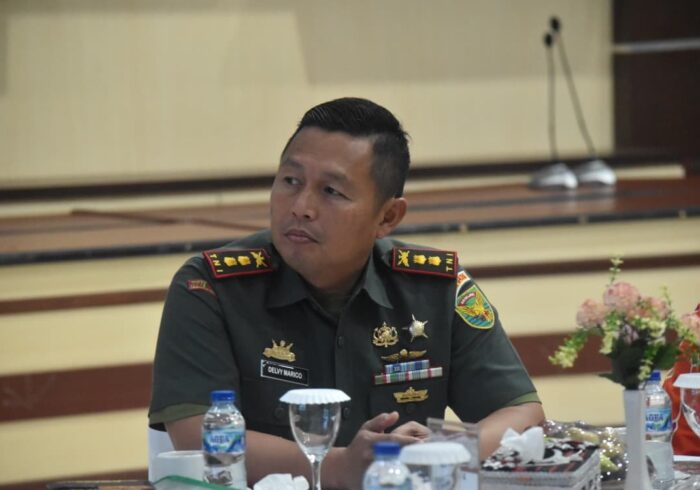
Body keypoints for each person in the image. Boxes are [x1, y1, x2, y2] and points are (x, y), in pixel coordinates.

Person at [149, 97, 545, 489]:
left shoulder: (434, 289)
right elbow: (196, 435)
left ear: (388, 216)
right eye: (290, 181)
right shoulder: (211, 288)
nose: (301, 207)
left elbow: (523, 415)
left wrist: (438, 451)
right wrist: (340, 467)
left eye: (331, 191)